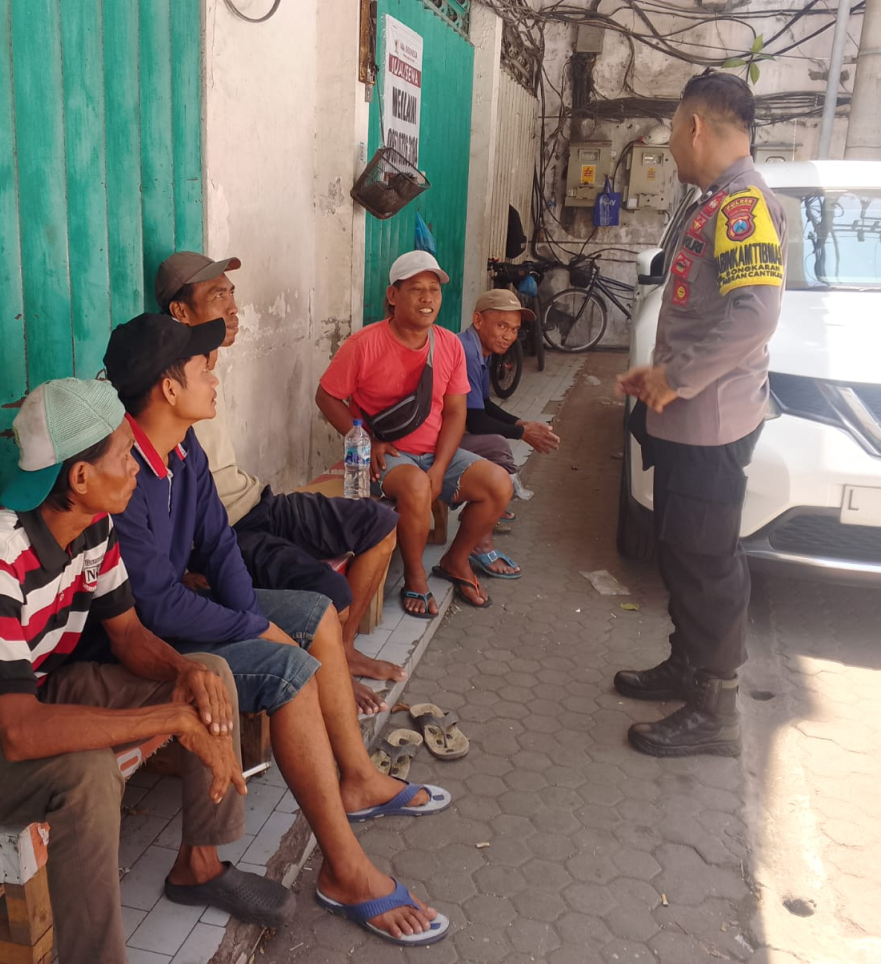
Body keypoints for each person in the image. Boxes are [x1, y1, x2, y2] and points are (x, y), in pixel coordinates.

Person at [0, 377, 291, 964]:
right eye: (125, 455)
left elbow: (128, 634)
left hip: (39, 688)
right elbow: (19, 732)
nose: (136, 467)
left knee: (207, 674)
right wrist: (171, 718)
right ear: (79, 477)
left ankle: (199, 866)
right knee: (88, 774)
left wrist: (182, 673)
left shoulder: (93, 527)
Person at [103, 312, 450, 947]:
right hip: (143, 642)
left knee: (313, 615)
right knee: (290, 669)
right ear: (168, 389)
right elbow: (154, 609)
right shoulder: (120, 471)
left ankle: (356, 778)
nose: (215, 377)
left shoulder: (183, 448)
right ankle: (345, 872)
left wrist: (254, 620)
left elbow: (219, 546)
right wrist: (254, 629)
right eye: (202, 369)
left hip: (180, 611)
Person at [615, 71, 785, 757]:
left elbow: (755, 315)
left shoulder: (742, 204)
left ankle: (715, 710)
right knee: (682, 549)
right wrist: (660, 377)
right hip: (688, 418)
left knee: (708, 561)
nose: (671, 145)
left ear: (694, 126)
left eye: (672, 130)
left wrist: (675, 377)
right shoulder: (712, 200)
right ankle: (687, 665)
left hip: (711, 422)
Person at [156, 250, 401, 716]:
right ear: (180, 312)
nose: (234, 307)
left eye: (231, 294)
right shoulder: (167, 384)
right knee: (330, 597)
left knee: (380, 522)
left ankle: (344, 651)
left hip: (257, 502)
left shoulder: (207, 367)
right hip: (226, 531)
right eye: (217, 296)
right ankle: (329, 671)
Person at [315, 251, 514, 616]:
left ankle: (456, 560)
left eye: (434, 290)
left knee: (499, 483)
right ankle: (415, 577)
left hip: (435, 452)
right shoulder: (364, 343)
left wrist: (440, 466)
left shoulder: (448, 344)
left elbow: (455, 412)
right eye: (416, 289)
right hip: (385, 457)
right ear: (393, 295)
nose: (427, 298)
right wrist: (365, 441)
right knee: (417, 487)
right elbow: (326, 396)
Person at [457, 288, 564, 576]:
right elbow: (476, 421)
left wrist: (521, 424)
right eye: (502, 326)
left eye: (514, 329)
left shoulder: (481, 349)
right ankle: (480, 536)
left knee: (497, 446)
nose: (508, 335)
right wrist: (522, 433)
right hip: (429, 440)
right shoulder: (466, 352)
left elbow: (483, 403)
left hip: (449, 431)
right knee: (497, 447)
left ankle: (485, 511)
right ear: (478, 320)